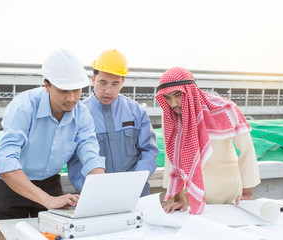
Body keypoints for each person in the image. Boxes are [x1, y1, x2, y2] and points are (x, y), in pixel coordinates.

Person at [0, 49, 105, 238]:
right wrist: (46, 200)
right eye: (63, 91)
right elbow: (5, 163)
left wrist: (100, 188)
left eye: (76, 90)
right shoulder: (23, 108)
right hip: (13, 186)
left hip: (51, 184)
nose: (72, 98)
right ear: (47, 85)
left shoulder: (82, 113)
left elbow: (90, 150)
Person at [155, 67, 260, 215]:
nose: (173, 104)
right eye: (168, 98)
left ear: (190, 92)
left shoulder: (225, 108)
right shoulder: (171, 116)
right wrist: (178, 199)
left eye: (178, 95)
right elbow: (172, 158)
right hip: (191, 197)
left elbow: (247, 150)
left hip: (229, 194)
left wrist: (247, 193)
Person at [67, 49, 159, 196]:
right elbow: (74, 162)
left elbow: (150, 151)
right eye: (103, 82)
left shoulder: (136, 111)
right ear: (93, 79)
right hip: (97, 197)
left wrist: (134, 182)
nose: (108, 91)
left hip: (136, 194)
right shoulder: (79, 114)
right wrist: (91, 190)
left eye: (115, 84)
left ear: (123, 82)